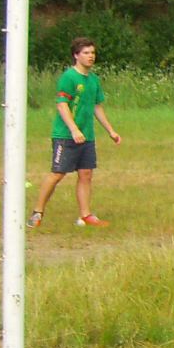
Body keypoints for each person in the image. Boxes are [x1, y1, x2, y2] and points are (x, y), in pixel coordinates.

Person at [28, 37, 122, 229]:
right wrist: (73, 129)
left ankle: (86, 215)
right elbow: (62, 105)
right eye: (86, 53)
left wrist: (111, 131)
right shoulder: (69, 77)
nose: (91, 56)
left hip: (87, 136)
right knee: (58, 173)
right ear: (76, 56)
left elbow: (96, 107)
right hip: (66, 135)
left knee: (86, 174)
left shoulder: (94, 80)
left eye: (92, 53)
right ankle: (37, 212)